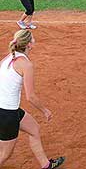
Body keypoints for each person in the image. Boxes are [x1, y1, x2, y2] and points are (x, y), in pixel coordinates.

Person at [0, 30, 65, 168]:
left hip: (9, 110)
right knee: (5, 154)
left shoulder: (8, 58)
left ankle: (46, 165)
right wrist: (45, 110)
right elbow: (30, 97)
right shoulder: (26, 65)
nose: (34, 40)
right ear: (29, 44)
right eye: (33, 38)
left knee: (34, 129)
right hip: (6, 114)